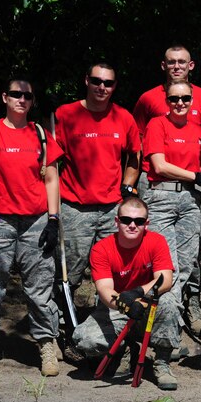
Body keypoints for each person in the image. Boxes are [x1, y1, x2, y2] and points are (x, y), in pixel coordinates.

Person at [0, 76, 64, 378]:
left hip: (35, 221)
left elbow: (51, 179)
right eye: (16, 95)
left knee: (39, 288)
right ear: (5, 98)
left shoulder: (41, 135)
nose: (22, 100)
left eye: (28, 96)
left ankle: (47, 342)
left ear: (32, 101)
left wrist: (53, 219)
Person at [133, 45, 201, 327]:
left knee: (188, 258)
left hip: (189, 196)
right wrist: (132, 183)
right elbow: (145, 153)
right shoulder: (151, 106)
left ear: (191, 65)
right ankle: (155, 312)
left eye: (181, 62)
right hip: (158, 190)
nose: (180, 103)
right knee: (162, 260)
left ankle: (182, 307)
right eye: (171, 62)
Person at [72, 197, 182, 390]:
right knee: (85, 340)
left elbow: (165, 279)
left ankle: (162, 362)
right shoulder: (102, 248)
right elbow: (105, 290)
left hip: (148, 304)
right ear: (117, 222)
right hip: (115, 308)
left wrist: (138, 293)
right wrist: (126, 304)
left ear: (146, 224)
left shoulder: (157, 241)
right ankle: (126, 349)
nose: (132, 225)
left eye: (139, 221)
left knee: (169, 303)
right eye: (126, 220)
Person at [54, 62, 140, 308]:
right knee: (69, 270)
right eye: (96, 81)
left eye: (108, 83)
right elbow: (50, 162)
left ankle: (107, 319)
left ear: (114, 86)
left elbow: (134, 157)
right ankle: (62, 318)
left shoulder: (123, 117)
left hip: (112, 209)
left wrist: (127, 184)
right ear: (86, 81)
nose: (102, 87)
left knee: (114, 269)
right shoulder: (65, 115)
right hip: (74, 208)